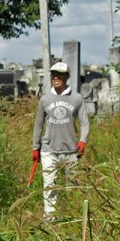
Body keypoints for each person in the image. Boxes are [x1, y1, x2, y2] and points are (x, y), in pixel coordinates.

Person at [31, 60, 89, 218]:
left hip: (71, 151)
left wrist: (82, 141)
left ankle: (70, 218)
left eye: (60, 75)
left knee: (72, 187)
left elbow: (84, 123)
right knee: (49, 187)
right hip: (49, 150)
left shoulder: (76, 98)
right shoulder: (45, 99)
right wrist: (35, 147)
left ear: (67, 77)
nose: (56, 77)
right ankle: (50, 221)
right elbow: (38, 125)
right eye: (54, 74)